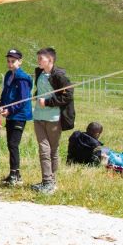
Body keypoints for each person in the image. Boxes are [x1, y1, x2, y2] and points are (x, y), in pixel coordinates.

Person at [32, 47, 75, 194]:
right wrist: (36, 95)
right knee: (43, 150)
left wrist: (49, 102)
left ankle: (51, 181)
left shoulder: (59, 76)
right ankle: (47, 181)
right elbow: (41, 89)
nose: (38, 61)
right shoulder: (39, 72)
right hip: (38, 117)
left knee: (52, 151)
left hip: (53, 118)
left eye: (40, 59)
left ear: (50, 60)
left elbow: (68, 95)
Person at [0, 49, 32, 185]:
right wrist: (1, 105)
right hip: (10, 114)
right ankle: (15, 173)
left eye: (13, 61)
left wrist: (10, 110)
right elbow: (5, 92)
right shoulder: (8, 75)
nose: (10, 64)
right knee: (10, 144)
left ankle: (14, 174)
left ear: (20, 62)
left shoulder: (22, 78)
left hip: (19, 115)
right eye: (8, 61)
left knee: (13, 144)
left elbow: (23, 99)